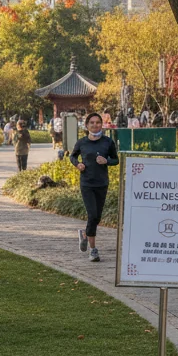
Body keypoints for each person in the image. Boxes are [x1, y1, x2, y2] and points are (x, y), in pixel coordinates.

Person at [71, 112, 120, 262]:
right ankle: (93, 250)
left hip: (102, 183)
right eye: (91, 123)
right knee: (92, 215)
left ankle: (85, 234)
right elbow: (72, 156)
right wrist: (77, 164)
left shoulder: (107, 142)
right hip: (87, 183)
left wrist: (106, 161)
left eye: (97, 122)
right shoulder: (82, 142)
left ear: (101, 124)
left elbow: (116, 160)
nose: (95, 125)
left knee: (97, 217)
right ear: (87, 125)